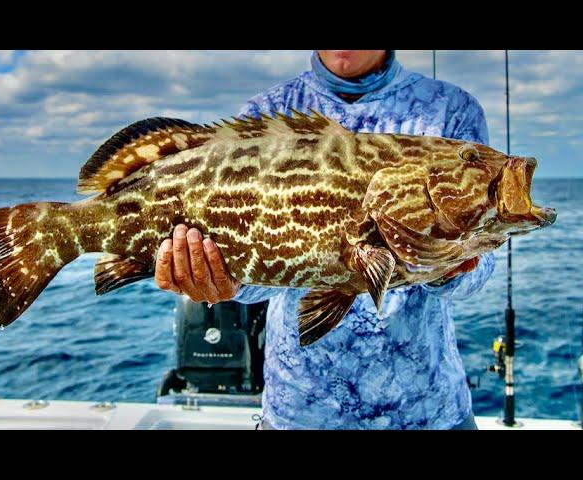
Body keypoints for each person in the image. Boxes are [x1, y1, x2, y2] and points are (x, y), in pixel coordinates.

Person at [154, 50, 494, 430]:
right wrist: (221, 281)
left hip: (429, 411)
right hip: (299, 412)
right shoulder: (271, 110)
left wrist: (447, 265)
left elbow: (478, 272)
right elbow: (252, 284)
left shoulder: (451, 111)